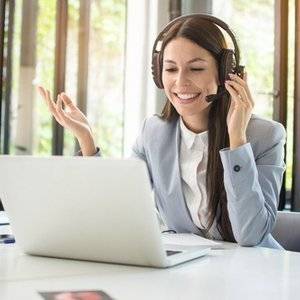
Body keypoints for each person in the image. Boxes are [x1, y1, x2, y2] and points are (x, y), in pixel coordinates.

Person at [38, 14, 286, 249]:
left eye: (196, 68)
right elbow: (118, 207)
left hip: (255, 275)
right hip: (189, 272)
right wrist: (87, 139)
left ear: (225, 74)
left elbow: (250, 236)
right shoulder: (154, 133)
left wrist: (237, 141)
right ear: (159, 74)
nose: (180, 82)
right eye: (170, 69)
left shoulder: (266, 137)